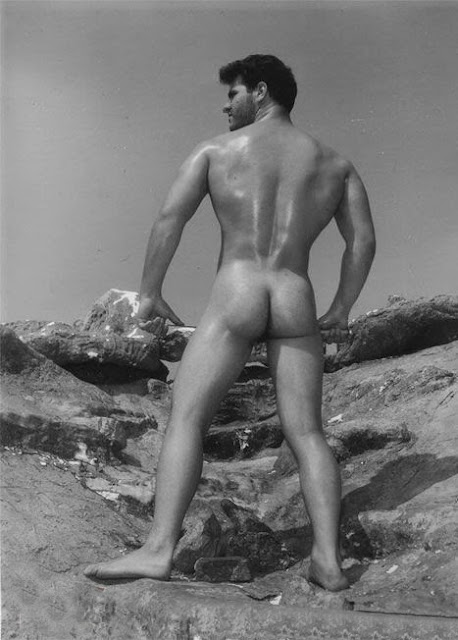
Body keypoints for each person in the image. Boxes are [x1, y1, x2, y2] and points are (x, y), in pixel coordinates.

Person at [84, 54, 375, 591]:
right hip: (294, 295)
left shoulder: (216, 151)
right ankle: (328, 561)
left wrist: (150, 293)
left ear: (261, 91)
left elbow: (170, 218)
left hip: (237, 290)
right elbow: (362, 241)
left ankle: (158, 549)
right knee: (307, 433)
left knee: (187, 419)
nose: (226, 106)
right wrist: (341, 308)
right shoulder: (335, 164)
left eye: (233, 94)